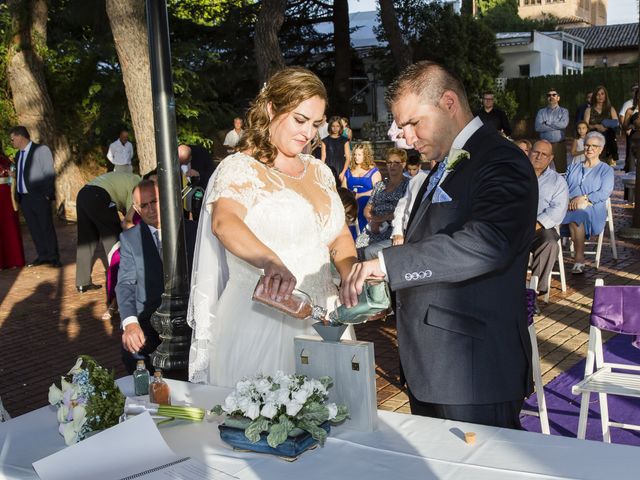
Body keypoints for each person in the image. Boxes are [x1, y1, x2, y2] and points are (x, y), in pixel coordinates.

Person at [340, 61, 537, 429]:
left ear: (449, 102)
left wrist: (387, 264)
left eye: (413, 123)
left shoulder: (501, 159)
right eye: (402, 127)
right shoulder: (443, 164)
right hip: (431, 365)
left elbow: (489, 242)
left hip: (473, 370)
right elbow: (429, 247)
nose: (407, 137)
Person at [186, 67, 358, 387]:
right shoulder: (240, 168)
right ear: (270, 109)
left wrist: (351, 274)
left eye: (316, 124)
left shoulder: (320, 171)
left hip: (325, 318)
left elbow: (338, 235)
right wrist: (271, 261)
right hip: (262, 322)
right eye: (300, 120)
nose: (309, 133)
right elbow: (224, 222)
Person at [117, 179, 197, 373]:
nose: (151, 209)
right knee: (133, 353)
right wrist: (130, 323)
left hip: (189, 316)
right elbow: (125, 284)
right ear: (136, 209)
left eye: (155, 201)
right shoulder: (130, 239)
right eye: (144, 205)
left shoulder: (192, 231)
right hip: (149, 318)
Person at [75, 171, 141, 293]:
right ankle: (119, 279)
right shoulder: (138, 184)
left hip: (83, 194)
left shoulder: (127, 177)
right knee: (113, 237)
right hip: (99, 195)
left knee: (86, 240)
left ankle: (82, 282)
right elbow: (130, 215)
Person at [561, 131, 614, 274]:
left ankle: (579, 258)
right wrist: (569, 201)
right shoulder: (573, 167)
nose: (589, 148)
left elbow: (604, 192)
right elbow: (563, 188)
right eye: (587, 145)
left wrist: (584, 198)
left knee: (578, 214)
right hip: (568, 207)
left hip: (593, 209)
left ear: (601, 149)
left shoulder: (606, 170)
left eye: (594, 146)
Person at [10, 126, 61, 268]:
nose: (12, 142)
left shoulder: (41, 150)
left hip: (39, 196)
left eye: (12, 139)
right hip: (24, 198)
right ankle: (43, 255)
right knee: (34, 228)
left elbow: (49, 173)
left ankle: (53, 257)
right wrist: (15, 176)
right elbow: (23, 172)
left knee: (46, 226)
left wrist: (47, 195)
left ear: (20, 137)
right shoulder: (18, 154)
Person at [528, 140, 569, 297]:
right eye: (536, 152)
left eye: (544, 154)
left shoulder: (557, 181)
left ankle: (535, 293)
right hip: (513, 224)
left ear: (550, 158)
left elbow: (558, 210)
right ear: (530, 152)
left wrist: (537, 224)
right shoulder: (514, 173)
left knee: (550, 243)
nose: (539, 156)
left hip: (540, 228)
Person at [355, 148, 410, 260]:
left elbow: (403, 211)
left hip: (393, 228)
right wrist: (373, 220)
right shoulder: (380, 185)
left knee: (368, 252)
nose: (392, 166)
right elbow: (368, 208)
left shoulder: (408, 185)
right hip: (373, 227)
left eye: (396, 162)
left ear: (403, 164)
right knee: (356, 250)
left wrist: (379, 220)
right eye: (389, 162)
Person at [341, 142, 381, 236]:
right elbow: (344, 190)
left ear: (365, 155)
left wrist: (360, 195)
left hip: (367, 204)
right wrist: (351, 196)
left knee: (363, 204)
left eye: (359, 154)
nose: (356, 157)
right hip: (351, 205)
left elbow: (378, 190)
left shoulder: (373, 171)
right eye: (355, 154)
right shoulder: (348, 171)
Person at [391, 155, 429, 246]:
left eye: (414, 169)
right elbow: (401, 206)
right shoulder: (403, 177)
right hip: (399, 221)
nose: (411, 172)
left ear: (419, 166)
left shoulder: (424, 177)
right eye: (409, 169)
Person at [0, 148, 25, 269]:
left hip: (7, 196)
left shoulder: (6, 160)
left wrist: (13, 176)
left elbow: (14, 175)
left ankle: (14, 259)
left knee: (9, 227)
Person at [535, 88, 569, 173]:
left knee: (561, 169)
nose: (551, 97)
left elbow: (564, 125)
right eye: (549, 95)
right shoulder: (541, 112)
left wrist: (547, 123)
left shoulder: (564, 111)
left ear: (558, 98)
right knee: (541, 168)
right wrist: (557, 126)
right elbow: (538, 127)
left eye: (554, 95)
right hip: (544, 144)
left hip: (559, 145)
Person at [584, 85, 619, 166]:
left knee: (608, 167)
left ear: (605, 95)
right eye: (598, 94)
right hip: (593, 143)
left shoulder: (611, 109)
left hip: (609, 142)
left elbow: (616, 123)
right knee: (593, 166)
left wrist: (607, 124)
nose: (600, 96)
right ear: (594, 96)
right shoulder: (589, 110)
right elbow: (585, 126)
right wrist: (596, 126)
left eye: (602, 94)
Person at [321, 115, 351, 183]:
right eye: (333, 126)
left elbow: (348, 158)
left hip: (342, 169)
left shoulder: (345, 140)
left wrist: (343, 172)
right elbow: (323, 157)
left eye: (337, 126)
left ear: (340, 127)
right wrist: (322, 171)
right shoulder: (324, 141)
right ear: (330, 127)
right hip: (329, 170)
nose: (335, 128)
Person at [622, 88, 639, 173]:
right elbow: (624, 126)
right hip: (634, 139)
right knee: (632, 165)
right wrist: (630, 126)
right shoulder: (630, 110)